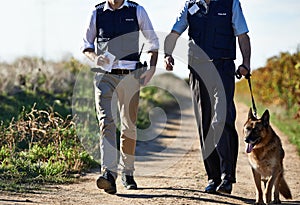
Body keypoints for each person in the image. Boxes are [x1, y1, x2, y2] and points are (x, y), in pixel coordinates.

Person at [164, 0, 251, 194]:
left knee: (223, 119)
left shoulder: (230, 4)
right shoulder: (190, 5)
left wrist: (246, 63)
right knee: (205, 123)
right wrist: (167, 54)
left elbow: (242, 35)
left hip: (223, 67)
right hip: (198, 69)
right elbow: (174, 32)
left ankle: (227, 177)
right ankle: (213, 177)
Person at [81, 0, 159, 194]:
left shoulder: (137, 10)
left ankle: (128, 172)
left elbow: (153, 43)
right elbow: (86, 45)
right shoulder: (97, 12)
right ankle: (108, 174)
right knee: (106, 122)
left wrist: (151, 69)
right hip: (104, 77)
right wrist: (95, 58)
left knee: (128, 125)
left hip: (131, 77)